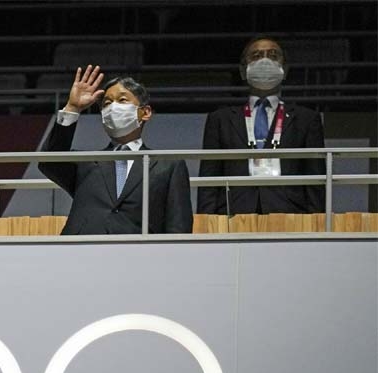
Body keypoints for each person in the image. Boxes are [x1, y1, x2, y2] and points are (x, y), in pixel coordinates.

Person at [38, 66, 193, 234]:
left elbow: (178, 225)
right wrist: (72, 108)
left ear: (145, 112)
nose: (113, 108)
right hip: (81, 252)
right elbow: (49, 160)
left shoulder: (168, 166)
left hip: (140, 254)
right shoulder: (86, 163)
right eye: (107, 103)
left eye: (122, 100)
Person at [196, 37, 326, 215]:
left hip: (292, 215)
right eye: (256, 56)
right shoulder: (220, 119)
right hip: (232, 215)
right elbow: (208, 182)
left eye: (273, 55)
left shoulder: (307, 119)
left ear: (285, 69)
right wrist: (206, 226)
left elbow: (315, 181)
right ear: (243, 70)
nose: (265, 61)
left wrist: (317, 223)